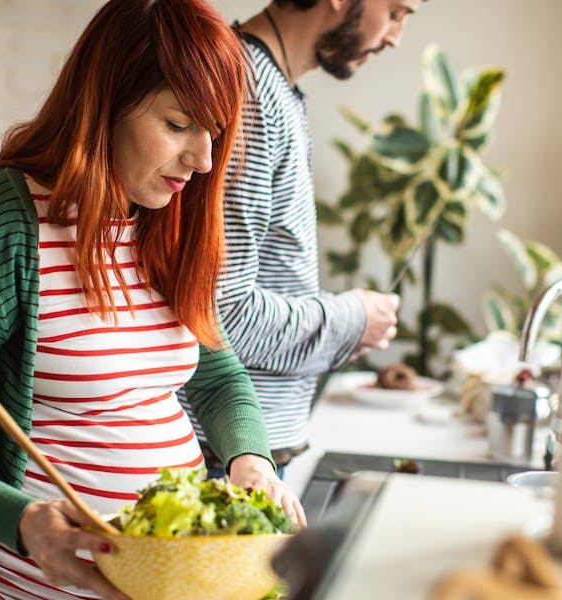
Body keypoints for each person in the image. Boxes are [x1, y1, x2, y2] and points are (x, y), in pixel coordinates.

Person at [0, 1, 303, 598]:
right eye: (177, 125)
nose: (202, 160)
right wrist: (25, 523)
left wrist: (250, 461)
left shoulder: (165, 217)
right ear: (107, 104)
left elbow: (218, 374)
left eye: (214, 132)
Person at [182, 0, 422, 476]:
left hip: (236, 455)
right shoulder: (251, 95)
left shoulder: (271, 88)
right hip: (225, 460)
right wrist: (351, 319)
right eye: (396, 12)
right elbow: (221, 317)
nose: (395, 37)